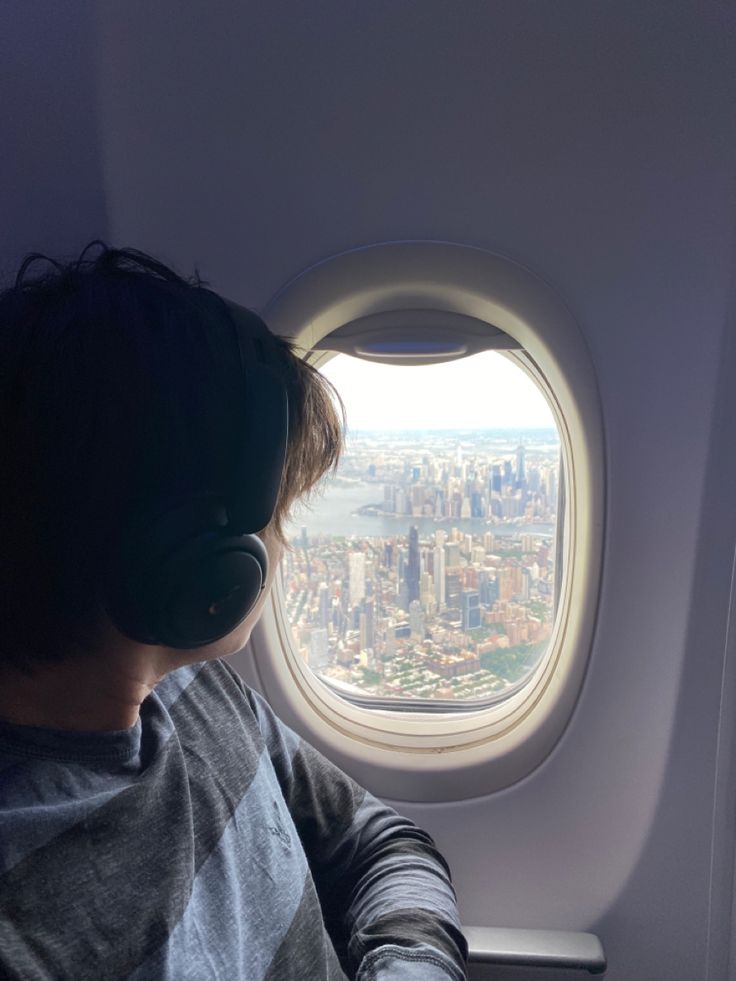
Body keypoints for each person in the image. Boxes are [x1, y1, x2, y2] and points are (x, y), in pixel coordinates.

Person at [0, 245, 468, 981]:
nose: (283, 543)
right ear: (192, 559)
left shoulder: (195, 693)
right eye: (277, 514)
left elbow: (380, 842)